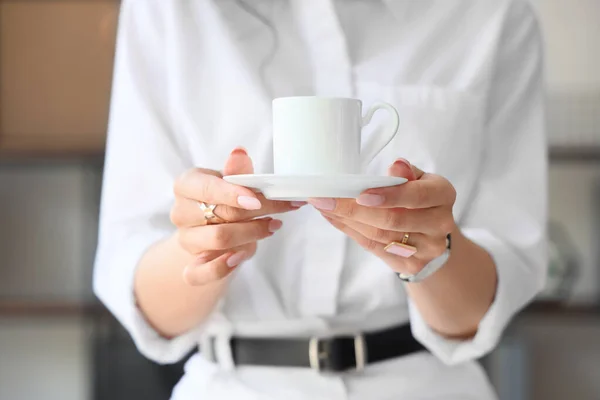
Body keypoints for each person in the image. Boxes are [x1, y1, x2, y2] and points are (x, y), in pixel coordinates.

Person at [93, 0, 547, 399]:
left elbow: (483, 306)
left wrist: (429, 254)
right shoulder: (168, 10)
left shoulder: (491, 12)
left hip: (428, 386)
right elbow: (145, 301)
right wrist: (205, 244)